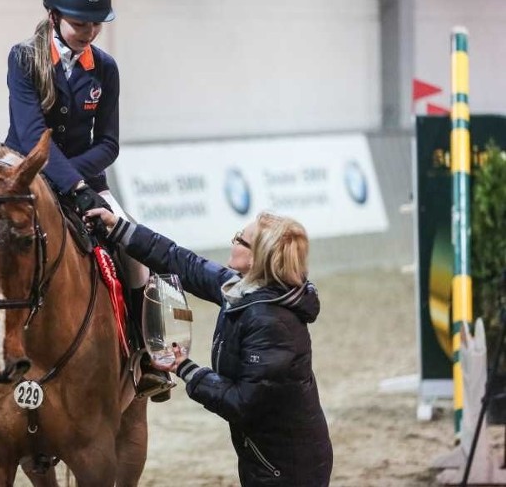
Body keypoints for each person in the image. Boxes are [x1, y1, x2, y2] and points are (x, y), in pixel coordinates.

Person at [0, 0, 171, 401]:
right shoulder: (23, 59)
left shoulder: (105, 68)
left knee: (136, 259)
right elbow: (35, 136)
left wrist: (81, 182)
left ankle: (148, 354)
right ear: (54, 16)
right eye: (79, 22)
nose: (88, 30)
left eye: (95, 23)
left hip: (88, 179)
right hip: (22, 177)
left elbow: (108, 142)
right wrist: (74, 187)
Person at [85, 208, 333, 486]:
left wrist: (185, 368)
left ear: (256, 258)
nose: (233, 241)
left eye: (241, 239)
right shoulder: (245, 289)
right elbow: (183, 262)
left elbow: (240, 402)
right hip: (268, 454)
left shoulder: (270, 322)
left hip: (286, 467)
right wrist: (119, 228)